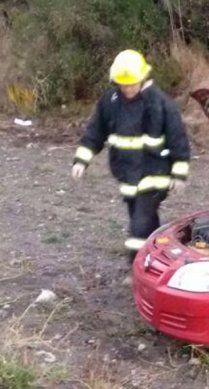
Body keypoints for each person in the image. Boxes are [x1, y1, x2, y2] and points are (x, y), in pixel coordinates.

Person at [71, 49, 191, 262]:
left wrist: (179, 173)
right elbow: (95, 132)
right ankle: (156, 257)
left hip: (155, 173)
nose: (127, 88)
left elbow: (178, 140)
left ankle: (135, 266)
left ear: (143, 78)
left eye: (132, 83)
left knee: (140, 223)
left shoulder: (160, 104)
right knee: (145, 220)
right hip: (127, 174)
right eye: (123, 84)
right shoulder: (110, 102)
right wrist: (82, 160)